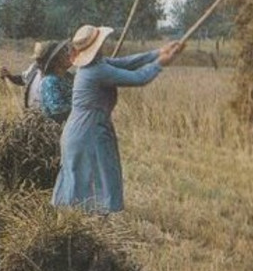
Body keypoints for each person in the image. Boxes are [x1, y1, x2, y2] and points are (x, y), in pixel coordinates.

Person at [51, 24, 185, 214]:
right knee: (98, 177)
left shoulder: (95, 65)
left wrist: (158, 52)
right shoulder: (97, 71)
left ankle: (86, 225)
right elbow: (138, 77)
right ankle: (91, 226)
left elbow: (126, 62)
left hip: (81, 128)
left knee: (85, 179)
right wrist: (160, 63)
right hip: (88, 131)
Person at [0, 41, 50, 111]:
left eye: (41, 59)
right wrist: (9, 76)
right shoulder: (34, 68)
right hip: (31, 113)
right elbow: (23, 79)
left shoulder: (57, 76)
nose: (38, 62)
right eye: (37, 59)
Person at [36, 38, 74, 123]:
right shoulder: (49, 81)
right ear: (55, 61)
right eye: (63, 53)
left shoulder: (69, 77)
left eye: (66, 50)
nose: (68, 54)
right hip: (58, 131)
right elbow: (57, 111)